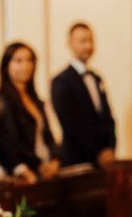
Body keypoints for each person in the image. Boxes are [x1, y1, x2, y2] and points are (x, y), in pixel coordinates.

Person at [51, 23, 116, 168]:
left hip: (103, 162)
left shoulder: (97, 78)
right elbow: (69, 124)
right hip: (76, 160)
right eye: (83, 41)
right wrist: (96, 154)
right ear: (70, 43)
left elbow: (107, 118)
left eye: (91, 40)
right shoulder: (61, 81)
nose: (88, 46)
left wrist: (110, 148)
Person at [0, 42, 61, 183]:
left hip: (44, 170)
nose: (26, 66)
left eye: (29, 60)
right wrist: (24, 168)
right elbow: (7, 141)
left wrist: (55, 160)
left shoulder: (36, 100)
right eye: (18, 61)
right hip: (22, 174)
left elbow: (48, 136)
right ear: (6, 65)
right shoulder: (4, 100)